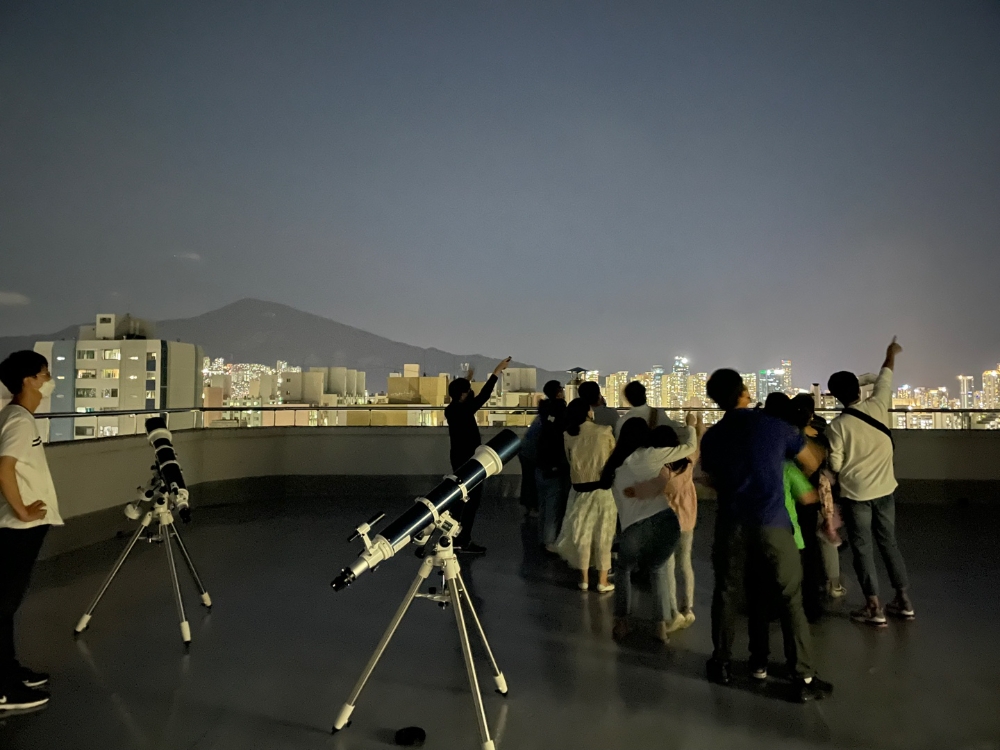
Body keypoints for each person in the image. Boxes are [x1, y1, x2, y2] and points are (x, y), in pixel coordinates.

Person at [700, 369, 831, 701]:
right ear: (745, 391)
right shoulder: (774, 427)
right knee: (791, 597)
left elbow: (712, 481)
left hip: (731, 523)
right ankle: (802, 678)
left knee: (727, 593)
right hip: (773, 521)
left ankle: (722, 663)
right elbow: (812, 462)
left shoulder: (713, 437)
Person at [827, 337, 914, 627]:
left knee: (863, 549)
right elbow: (886, 374)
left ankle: (873, 607)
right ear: (858, 388)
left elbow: (836, 465)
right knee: (889, 543)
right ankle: (903, 600)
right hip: (886, 490)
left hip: (856, 495)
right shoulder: (878, 405)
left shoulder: (837, 427)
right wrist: (890, 353)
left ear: (836, 396)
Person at [0, 350, 64, 712]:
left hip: (19, 526)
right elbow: (4, 468)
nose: (49, 380)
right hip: (17, 528)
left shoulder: (17, 417)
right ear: (28, 380)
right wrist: (23, 512)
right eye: (45, 374)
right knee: (3, 604)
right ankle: (4, 687)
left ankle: (9, 671)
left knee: (5, 605)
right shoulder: (19, 420)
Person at [601, 417, 697, 643]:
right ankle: (661, 628)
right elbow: (691, 447)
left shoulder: (614, 465)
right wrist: (691, 425)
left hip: (633, 526)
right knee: (659, 570)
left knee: (624, 570)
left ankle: (622, 623)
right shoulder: (652, 454)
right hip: (665, 522)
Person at [444, 357, 511, 554]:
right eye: (468, 390)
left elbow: (468, 397)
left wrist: (468, 379)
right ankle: (462, 540)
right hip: (471, 461)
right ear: (464, 394)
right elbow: (484, 395)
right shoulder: (464, 410)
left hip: (458, 458)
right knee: (472, 502)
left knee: (461, 499)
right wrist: (496, 371)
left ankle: (453, 537)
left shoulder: (452, 409)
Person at [553, 398, 617, 592]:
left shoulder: (568, 435)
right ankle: (603, 580)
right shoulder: (605, 432)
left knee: (582, 535)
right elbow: (614, 458)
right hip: (603, 491)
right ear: (589, 412)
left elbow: (569, 459)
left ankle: (584, 579)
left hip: (579, 491)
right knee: (604, 535)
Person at [535, 380, 570, 549]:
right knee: (553, 506)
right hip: (555, 463)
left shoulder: (544, 410)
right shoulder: (561, 410)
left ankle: (543, 538)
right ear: (558, 393)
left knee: (544, 503)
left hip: (541, 462)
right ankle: (550, 542)